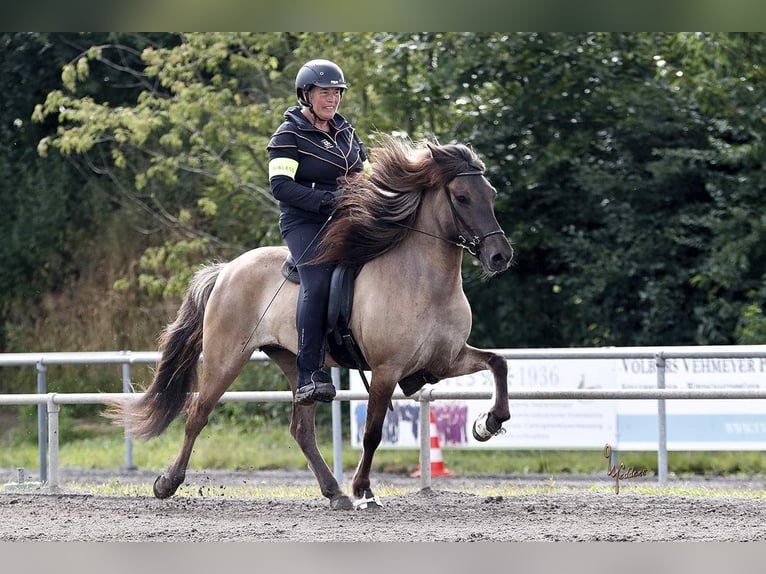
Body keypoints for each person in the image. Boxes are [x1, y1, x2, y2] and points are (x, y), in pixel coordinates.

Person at [267, 58, 368, 405]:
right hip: (304, 222)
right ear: (306, 95)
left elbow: (366, 176)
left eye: (337, 93)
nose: (333, 99)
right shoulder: (288, 134)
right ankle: (309, 373)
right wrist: (327, 200)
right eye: (325, 92)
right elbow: (280, 186)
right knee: (319, 280)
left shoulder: (347, 132)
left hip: (348, 218)